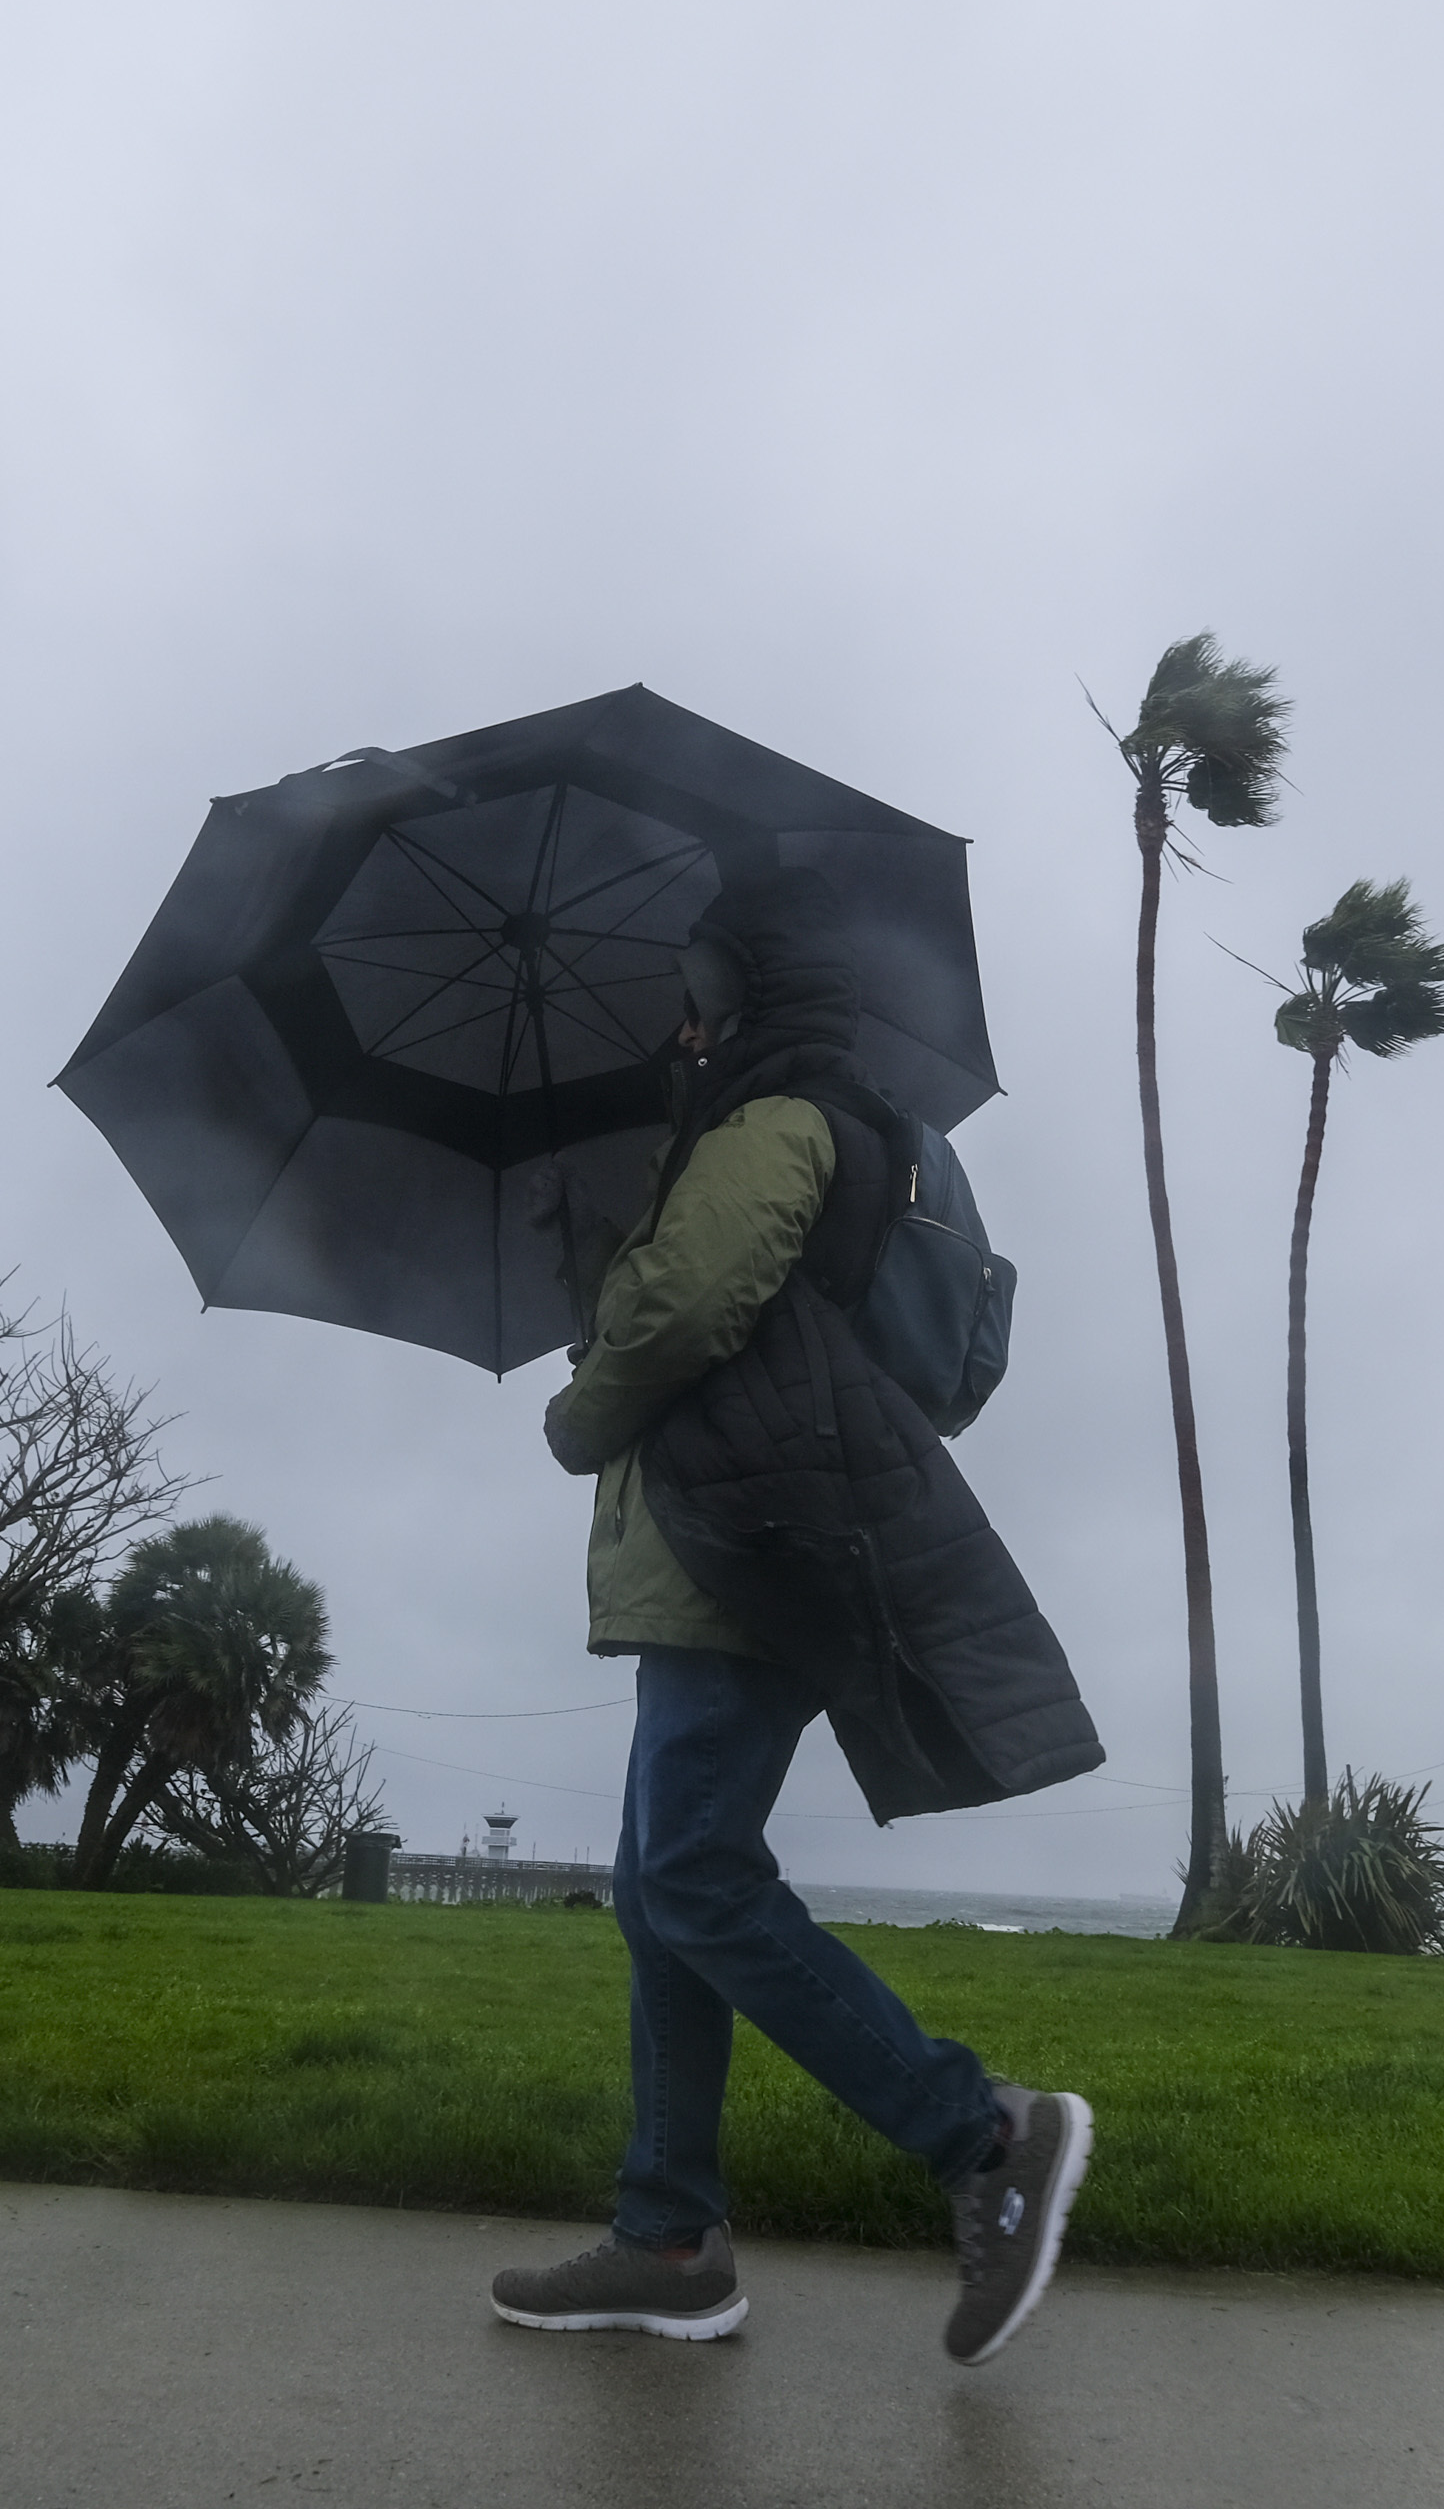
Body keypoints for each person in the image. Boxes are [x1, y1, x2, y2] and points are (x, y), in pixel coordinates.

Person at [491, 869, 1103, 2367]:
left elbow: (690, 1307)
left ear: (744, 984)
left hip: (739, 1547)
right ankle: (669, 2239)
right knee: (663, 1889)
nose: (680, 1016)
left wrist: (582, 1409)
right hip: (732, 1541)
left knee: (693, 1876)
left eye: (696, 985)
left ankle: (980, 2135)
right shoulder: (763, 1120)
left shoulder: (783, 1121)